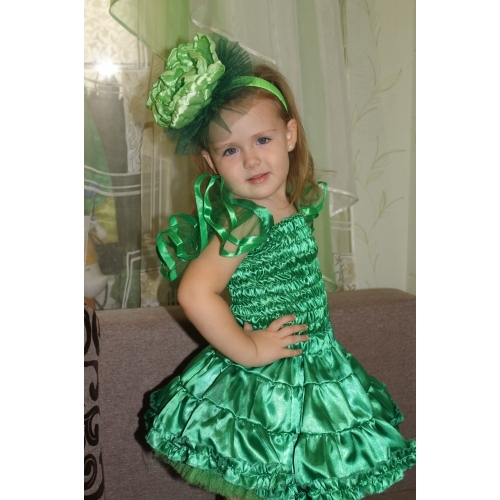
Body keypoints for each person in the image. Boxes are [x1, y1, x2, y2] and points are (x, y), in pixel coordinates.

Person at [144, 33, 416, 500]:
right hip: (271, 384)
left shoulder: (290, 206)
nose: (251, 159)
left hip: (314, 365)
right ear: (211, 161)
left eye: (262, 139)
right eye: (230, 150)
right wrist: (250, 349)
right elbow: (195, 291)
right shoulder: (248, 220)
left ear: (289, 135)